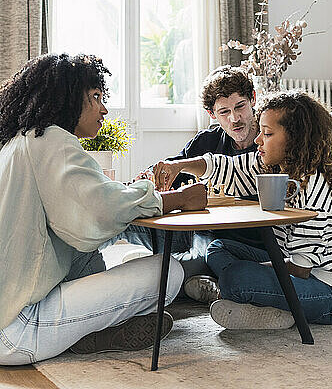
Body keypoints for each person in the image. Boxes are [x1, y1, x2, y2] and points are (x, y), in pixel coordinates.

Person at [0, 53, 206, 365]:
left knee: (82, 248)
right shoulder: (52, 140)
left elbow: (89, 205)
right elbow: (103, 208)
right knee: (169, 272)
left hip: (8, 316)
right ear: (67, 99)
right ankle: (96, 330)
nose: (104, 108)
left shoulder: (21, 141)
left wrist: (130, 192)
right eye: (95, 97)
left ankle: (93, 334)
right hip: (17, 329)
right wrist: (179, 199)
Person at [153, 91, 332, 329]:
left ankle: (241, 293)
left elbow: (300, 269)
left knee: (238, 277)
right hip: (299, 266)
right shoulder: (275, 166)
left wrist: (254, 271)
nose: (257, 141)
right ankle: (262, 302)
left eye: (268, 134)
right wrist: (179, 165)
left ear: (295, 139)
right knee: (219, 248)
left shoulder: (315, 190)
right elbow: (230, 168)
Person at [112, 66, 262, 297]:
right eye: (224, 112)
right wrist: (149, 178)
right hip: (194, 230)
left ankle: (187, 274)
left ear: (252, 99)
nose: (235, 119)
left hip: (235, 241)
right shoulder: (206, 141)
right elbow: (173, 169)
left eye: (240, 106)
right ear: (212, 114)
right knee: (117, 221)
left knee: (176, 272)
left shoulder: (268, 142)